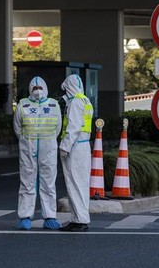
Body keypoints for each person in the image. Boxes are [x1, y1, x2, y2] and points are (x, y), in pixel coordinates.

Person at [13, 76, 62, 230]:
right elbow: (17, 128)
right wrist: (26, 141)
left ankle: (50, 217)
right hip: (28, 147)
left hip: (48, 148)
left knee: (48, 182)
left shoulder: (54, 105)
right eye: (35, 89)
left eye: (40, 88)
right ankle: (25, 217)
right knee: (27, 182)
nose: (38, 91)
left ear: (45, 88)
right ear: (30, 90)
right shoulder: (23, 105)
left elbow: (57, 128)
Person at [59, 73, 93, 232]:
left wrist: (64, 147)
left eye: (66, 89)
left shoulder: (74, 103)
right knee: (81, 184)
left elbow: (73, 127)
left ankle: (80, 220)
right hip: (83, 146)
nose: (65, 92)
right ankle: (78, 217)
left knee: (74, 184)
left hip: (75, 147)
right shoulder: (86, 100)